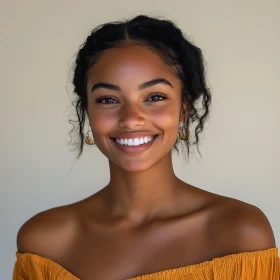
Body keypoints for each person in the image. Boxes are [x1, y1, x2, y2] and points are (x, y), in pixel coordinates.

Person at [13, 15, 279, 280]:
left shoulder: (240, 235)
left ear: (183, 109)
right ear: (87, 112)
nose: (130, 119)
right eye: (107, 99)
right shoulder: (44, 246)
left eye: (154, 97)